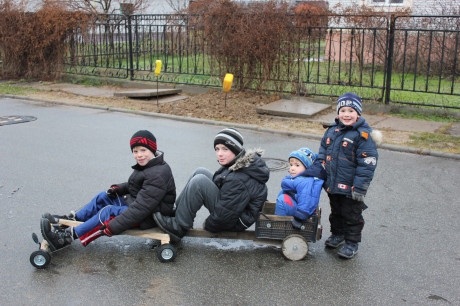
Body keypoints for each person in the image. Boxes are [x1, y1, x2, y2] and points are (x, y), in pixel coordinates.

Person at [40, 130, 176, 251]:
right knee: (103, 197)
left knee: (108, 213)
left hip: (150, 216)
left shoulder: (158, 174)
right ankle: (71, 220)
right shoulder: (150, 164)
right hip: (139, 204)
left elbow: (141, 208)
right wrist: (119, 189)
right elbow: (137, 185)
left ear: (152, 149)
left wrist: (113, 226)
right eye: (135, 151)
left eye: (143, 150)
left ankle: (65, 238)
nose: (139, 155)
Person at [153, 127, 270, 242]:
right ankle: (179, 213)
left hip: (235, 220)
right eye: (217, 149)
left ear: (236, 150)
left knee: (199, 182)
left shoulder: (238, 179)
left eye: (225, 149)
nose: (219, 154)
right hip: (233, 209)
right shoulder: (237, 164)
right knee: (200, 171)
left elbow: (224, 217)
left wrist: (209, 225)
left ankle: (179, 226)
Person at [317, 92, 381, 259]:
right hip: (333, 184)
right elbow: (323, 151)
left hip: (352, 187)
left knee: (351, 214)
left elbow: (367, 165)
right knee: (336, 212)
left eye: (351, 111)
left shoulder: (363, 136)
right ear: (338, 112)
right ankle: (338, 234)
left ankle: (352, 242)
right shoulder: (332, 130)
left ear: (358, 113)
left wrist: (360, 187)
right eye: (343, 110)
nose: (346, 114)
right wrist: (319, 169)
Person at [275, 147, 325, 229]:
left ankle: (279, 225)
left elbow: (306, 200)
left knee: (282, 200)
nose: (292, 168)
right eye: (291, 165)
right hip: (298, 204)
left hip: (301, 212)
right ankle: (281, 216)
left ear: (307, 168)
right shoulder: (301, 178)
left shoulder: (305, 181)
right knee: (283, 193)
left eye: (297, 165)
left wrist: (299, 218)